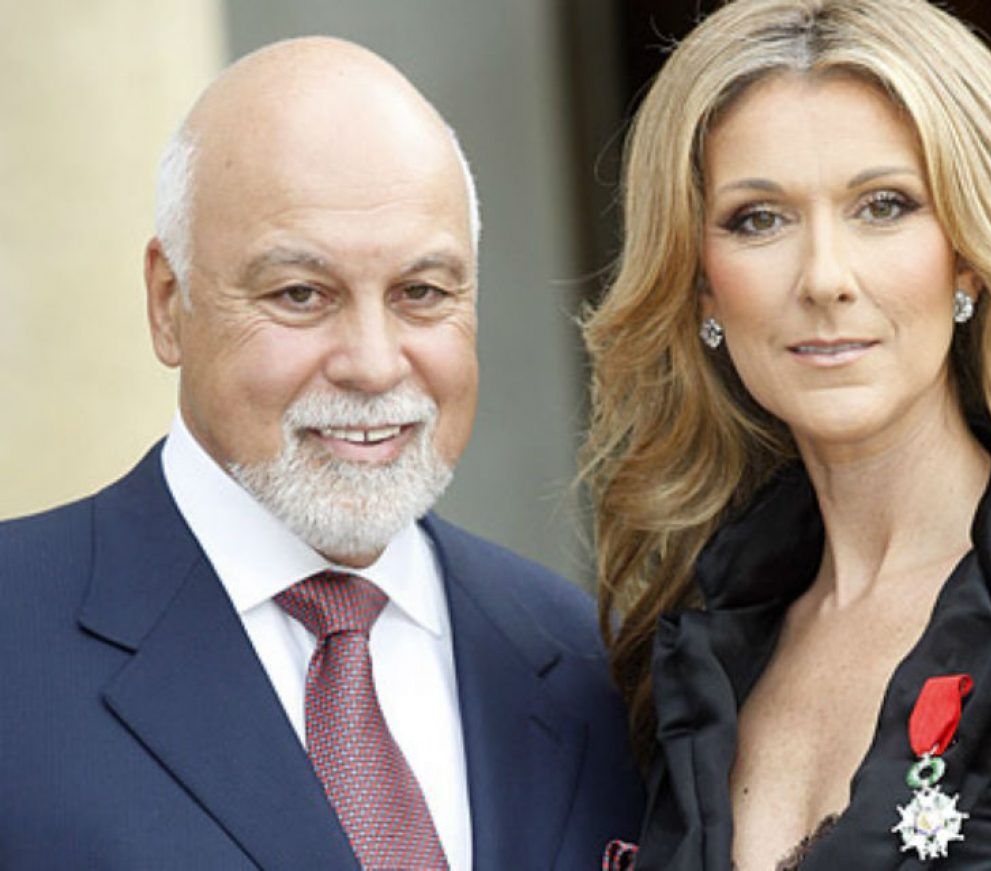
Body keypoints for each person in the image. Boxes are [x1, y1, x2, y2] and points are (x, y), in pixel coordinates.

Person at [581, 0, 991, 868]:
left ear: (970, 258)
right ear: (702, 286)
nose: (824, 277)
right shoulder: (687, 655)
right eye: (759, 218)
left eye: (883, 205)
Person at [0, 37, 642, 870]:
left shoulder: (594, 664)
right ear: (167, 303)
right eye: (301, 294)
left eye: (422, 293)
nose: (373, 364)